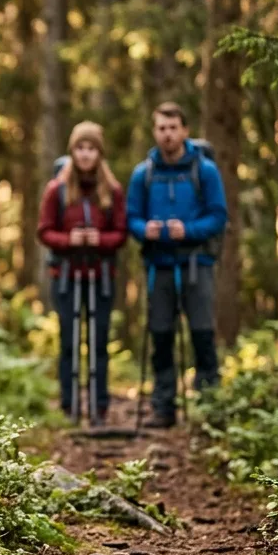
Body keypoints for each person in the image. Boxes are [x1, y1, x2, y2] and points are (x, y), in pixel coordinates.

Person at [127, 102, 228, 428]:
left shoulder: (205, 170)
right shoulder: (143, 174)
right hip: (159, 267)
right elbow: (131, 218)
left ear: (185, 130)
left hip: (197, 263)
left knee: (202, 335)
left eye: (173, 128)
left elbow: (218, 216)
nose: (167, 134)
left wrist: (189, 230)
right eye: (161, 128)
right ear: (154, 132)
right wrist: (145, 230)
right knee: (161, 337)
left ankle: (209, 407)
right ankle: (163, 407)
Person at [38, 121, 127, 425]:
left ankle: (99, 407)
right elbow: (45, 231)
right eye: (80, 148)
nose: (86, 154)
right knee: (68, 342)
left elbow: (121, 233)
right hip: (66, 277)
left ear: (99, 153)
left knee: (99, 342)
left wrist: (99, 240)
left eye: (91, 149)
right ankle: (69, 406)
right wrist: (70, 240)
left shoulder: (112, 191)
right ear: (72, 151)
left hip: (101, 277)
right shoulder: (57, 190)